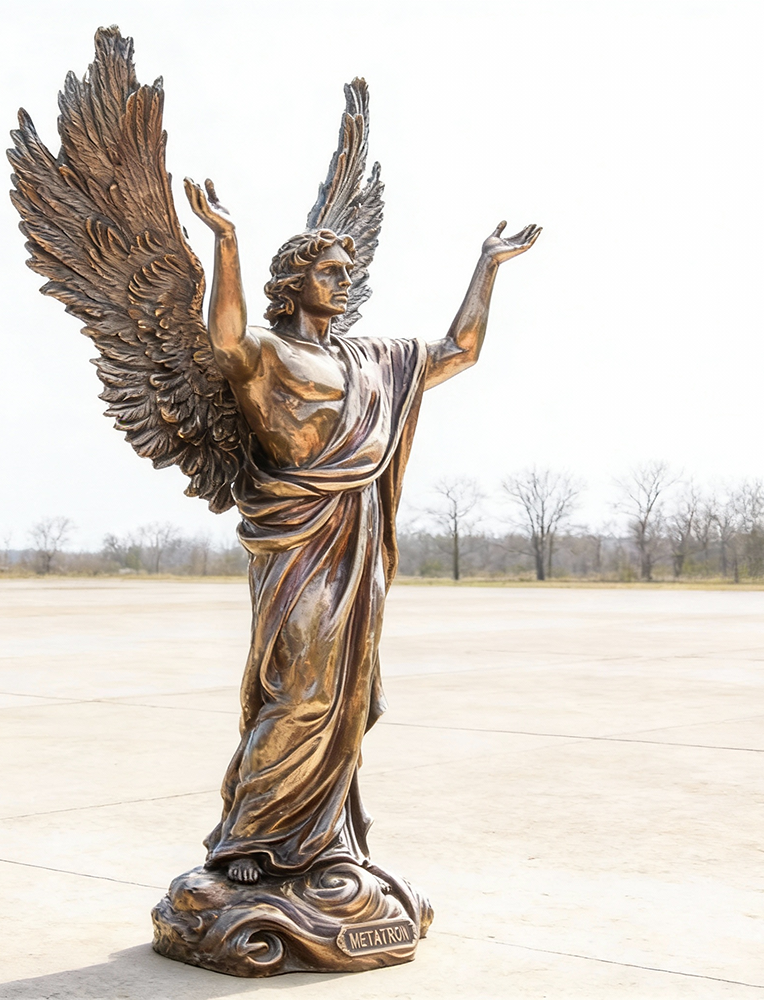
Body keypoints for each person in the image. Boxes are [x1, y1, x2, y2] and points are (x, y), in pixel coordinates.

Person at [184, 177, 539, 884]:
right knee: (301, 690)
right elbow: (222, 335)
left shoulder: (371, 359)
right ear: (292, 282)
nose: (345, 283)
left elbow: (458, 350)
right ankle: (248, 840)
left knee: (348, 697)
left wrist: (487, 265)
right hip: (298, 544)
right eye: (330, 272)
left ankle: (315, 841)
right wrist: (225, 240)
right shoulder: (266, 356)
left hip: (357, 543)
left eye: (348, 273)